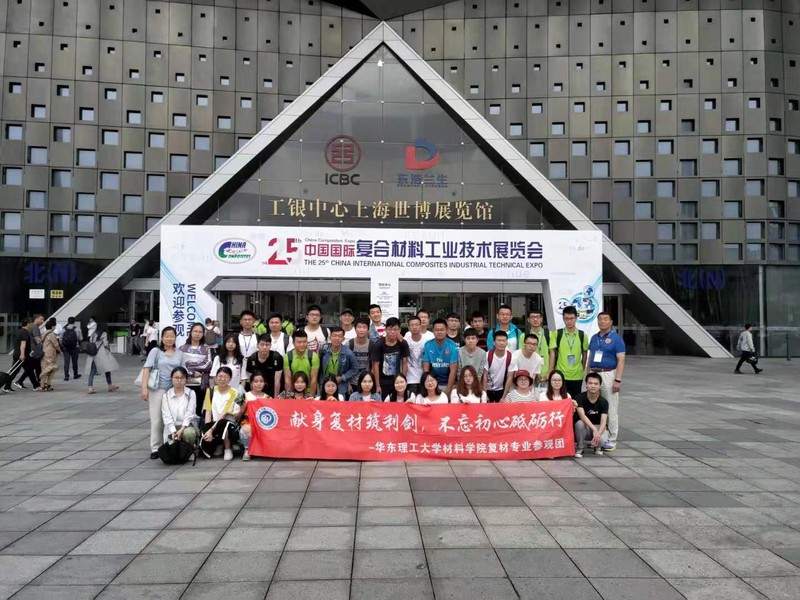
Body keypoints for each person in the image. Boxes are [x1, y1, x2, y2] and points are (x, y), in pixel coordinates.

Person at [142, 326, 187, 459]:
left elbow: (183, 372)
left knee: (172, 419)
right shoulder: (155, 352)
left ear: (175, 338)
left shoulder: (179, 354)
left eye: (172, 336)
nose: (169, 338)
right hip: (157, 390)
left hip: (174, 391)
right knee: (157, 420)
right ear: (162, 338)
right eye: (166, 336)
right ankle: (156, 448)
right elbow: (146, 369)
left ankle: (169, 445)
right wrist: (144, 388)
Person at [587, 311, 627, 451]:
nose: (602, 321)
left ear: (611, 322)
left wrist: (618, 380)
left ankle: (612, 439)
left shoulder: (616, 339)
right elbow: (590, 356)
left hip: (608, 374)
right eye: (600, 319)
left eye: (605, 319)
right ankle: (599, 437)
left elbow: (621, 360)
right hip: (594, 373)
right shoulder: (594, 338)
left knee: (611, 408)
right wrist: (588, 375)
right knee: (595, 407)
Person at [548, 306, 589, 398]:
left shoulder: (582, 335)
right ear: (563, 319)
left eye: (571, 318)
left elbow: (585, 353)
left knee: (575, 401)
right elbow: (552, 353)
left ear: (576, 318)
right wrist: (551, 370)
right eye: (566, 318)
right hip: (561, 374)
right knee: (561, 400)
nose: (569, 321)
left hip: (577, 375)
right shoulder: (557, 334)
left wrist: (582, 368)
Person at [200, 367, 240, 461]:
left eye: (226, 377)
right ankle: (218, 445)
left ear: (230, 379)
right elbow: (208, 411)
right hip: (214, 422)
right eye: (220, 376)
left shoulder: (234, 392)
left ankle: (227, 448)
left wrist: (211, 430)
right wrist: (207, 429)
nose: (222, 379)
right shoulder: (210, 391)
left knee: (222, 423)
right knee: (205, 452)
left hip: (229, 423)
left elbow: (224, 414)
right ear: (216, 377)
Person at [179, 323, 213, 416]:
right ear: (190, 332)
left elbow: (207, 365)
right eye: (195, 331)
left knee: (198, 410)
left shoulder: (206, 349)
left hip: (201, 385)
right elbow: (180, 366)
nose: (197, 334)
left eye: (200, 332)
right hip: (185, 384)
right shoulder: (182, 348)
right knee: (184, 410)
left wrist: (189, 364)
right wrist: (192, 372)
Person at [574, 372, 609, 458]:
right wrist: (594, 430)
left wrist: (598, 433)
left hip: (598, 427)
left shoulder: (604, 401)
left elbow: (603, 421)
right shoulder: (579, 398)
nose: (593, 386)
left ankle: (598, 447)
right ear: (586, 385)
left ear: (600, 386)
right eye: (590, 383)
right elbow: (582, 416)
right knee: (579, 423)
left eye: (596, 384)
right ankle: (580, 448)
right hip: (586, 428)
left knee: (602, 439)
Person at [370, 317, 409, 396]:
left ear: (399, 330)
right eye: (390, 329)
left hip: (397, 381)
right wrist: (377, 385)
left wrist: (403, 382)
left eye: (395, 329)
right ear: (385, 329)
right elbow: (375, 365)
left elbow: (405, 363)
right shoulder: (379, 344)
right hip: (382, 381)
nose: (392, 332)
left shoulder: (403, 343)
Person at [161, 366, 199, 448]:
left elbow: (190, 413)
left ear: (186, 379)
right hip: (171, 427)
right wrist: (173, 431)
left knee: (189, 434)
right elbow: (166, 415)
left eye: (182, 378)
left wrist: (182, 429)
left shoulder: (191, 393)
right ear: (171, 379)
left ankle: (190, 449)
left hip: (187, 426)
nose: (179, 380)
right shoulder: (166, 395)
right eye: (176, 378)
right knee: (172, 448)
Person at [422, 318, 459, 395]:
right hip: (433, 384)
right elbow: (426, 370)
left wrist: (448, 391)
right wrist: (431, 387)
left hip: (449, 384)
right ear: (433, 331)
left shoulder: (452, 345)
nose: (439, 332)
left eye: (442, 330)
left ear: (447, 331)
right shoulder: (428, 345)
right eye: (437, 330)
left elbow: (453, 371)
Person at [319, 327, 358, 398]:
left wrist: (342, 377)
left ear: (343, 338)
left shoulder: (348, 353)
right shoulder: (323, 349)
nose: (337, 338)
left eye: (339, 336)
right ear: (330, 337)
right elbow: (319, 368)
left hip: (340, 385)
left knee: (339, 401)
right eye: (334, 335)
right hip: (325, 384)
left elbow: (355, 369)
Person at [239, 371, 270, 460]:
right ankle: (247, 450)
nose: (259, 384)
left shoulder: (268, 398)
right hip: (248, 423)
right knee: (246, 429)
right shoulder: (243, 396)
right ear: (251, 383)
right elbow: (236, 416)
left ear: (264, 383)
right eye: (256, 381)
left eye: (261, 381)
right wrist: (243, 407)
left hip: (263, 424)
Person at [86, 321, 120, 395]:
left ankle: (90, 387)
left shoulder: (92, 333)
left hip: (92, 354)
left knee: (92, 371)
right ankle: (109, 385)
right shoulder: (103, 333)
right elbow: (105, 344)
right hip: (101, 354)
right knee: (107, 369)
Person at [347, 317, 374, 393]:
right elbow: (345, 366)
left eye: (364, 327)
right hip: (352, 382)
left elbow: (374, 366)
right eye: (359, 327)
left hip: (367, 382)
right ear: (355, 329)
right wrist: (348, 384)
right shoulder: (349, 344)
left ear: (368, 330)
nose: (361, 330)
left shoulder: (372, 345)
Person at [521, 309, 550, 380]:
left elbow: (552, 354)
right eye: (532, 317)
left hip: (546, 373)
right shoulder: (523, 336)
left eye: (538, 317)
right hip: (529, 373)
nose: (535, 319)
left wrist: (550, 372)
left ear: (541, 319)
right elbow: (522, 355)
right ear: (528, 320)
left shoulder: (549, 334)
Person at [403, 315, 428, 394]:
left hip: (423, 378)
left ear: (421, 326)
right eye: (412, 325)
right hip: (410, 379)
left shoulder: (427, 341)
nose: (414, 327)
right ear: (408, 327)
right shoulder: (405, 340)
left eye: (417, 324)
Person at [4, 320, 30, 392]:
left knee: (28, 369)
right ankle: (6, 386)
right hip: (20, 355)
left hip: (17, 353)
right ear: (27, 324)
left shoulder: (19, 331)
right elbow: (23, 344)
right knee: (14, 371)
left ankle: (19, 382)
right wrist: (22, 354)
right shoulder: (24, 333)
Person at [485, 330, 511, 403]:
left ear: (507, 342)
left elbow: (510, 377)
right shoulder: (487, 355)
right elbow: (484, 376)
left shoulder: (511, 356)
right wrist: (485, 394)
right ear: (494, 342)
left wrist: (504, 397)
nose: (502, 343)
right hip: (488, 389)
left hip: (502, 389)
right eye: (499, 340)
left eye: (504, 341)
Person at [38, 318, 61, 392]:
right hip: (50, 353)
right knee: (52, 368)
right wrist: (60, 351)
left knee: (45, 368)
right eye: (54, 326)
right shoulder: (52, 334)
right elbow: (56, 344)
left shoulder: (43, 333)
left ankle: (42, 385)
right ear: (52, 327)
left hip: (43, 353)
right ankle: (47, 384)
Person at [60, 316, 82, 381]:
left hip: (66, 348)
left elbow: (60, 339)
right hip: (75, 347)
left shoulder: (64, 329)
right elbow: (81, 338)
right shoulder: (78, 329)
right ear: (74, 322)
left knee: (66, 362)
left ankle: (66, 376)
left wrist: (63, 345)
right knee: (75, 362)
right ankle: (75, 374)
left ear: (68, 322)